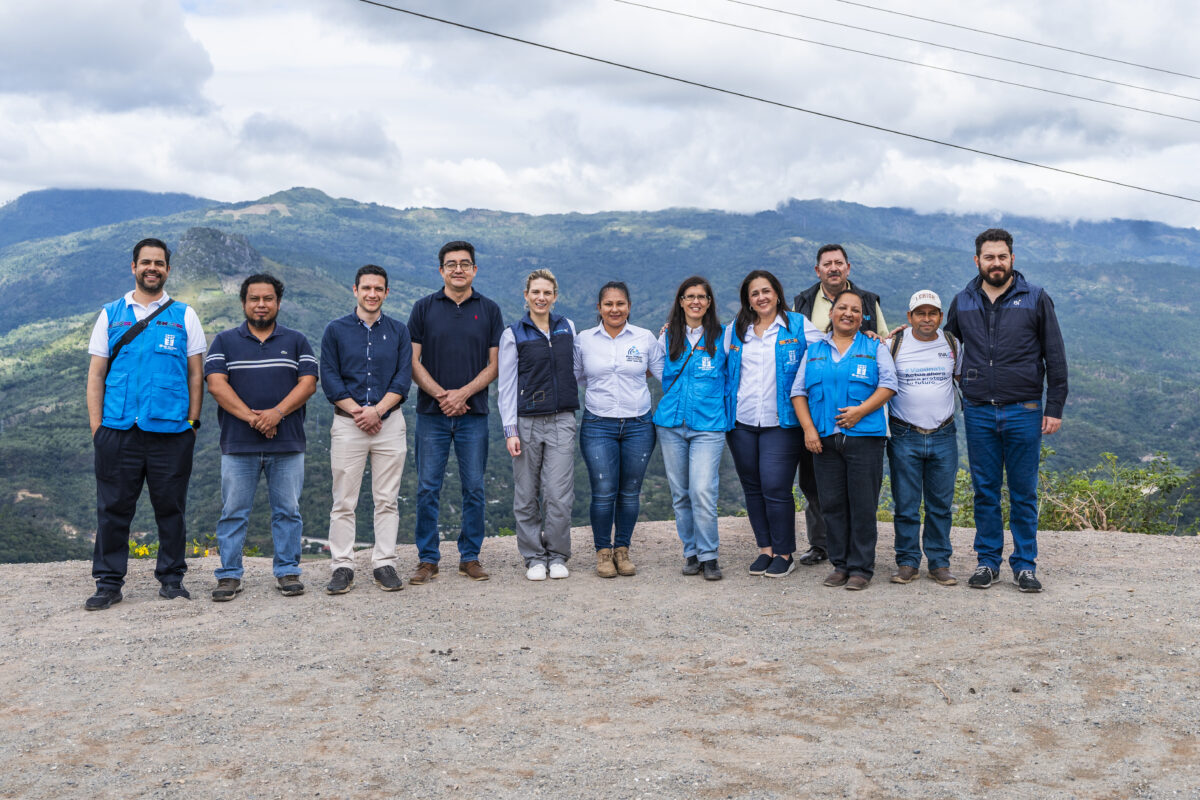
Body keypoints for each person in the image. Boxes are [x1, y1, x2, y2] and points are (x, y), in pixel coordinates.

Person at [84, 237, 206, 610]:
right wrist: (98, 430)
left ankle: (171, 579)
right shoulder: (111, 314)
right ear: (133, 267)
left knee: (171, 508)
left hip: (170, 432)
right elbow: (96, 376)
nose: (152, 268)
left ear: (168, 270)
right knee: (114, 509)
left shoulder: (184, 315)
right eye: (145, 262)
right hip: (118, 430)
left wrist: (192, 425)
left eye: (159, 263)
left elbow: (196, 376)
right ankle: (108, 583)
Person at [945, 228, 1068, 593]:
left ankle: (1025, 564)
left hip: (1025, 409)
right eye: (988, 257)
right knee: (984, 490)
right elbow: (943, 346)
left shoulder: (1035, 298)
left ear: (1012, 259)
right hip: (979, 411)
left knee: (1023, 491)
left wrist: (1055, 406)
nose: (995, 263)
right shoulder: (963, 301)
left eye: (1001, 256)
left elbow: (1056, 356)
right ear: (977, 260)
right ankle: (987, 562)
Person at [204, 274, 319, 601]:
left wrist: (276, 414)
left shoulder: (296, 340)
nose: (261, 304)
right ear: (244, 303)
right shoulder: (225, 341)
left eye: (268, 298)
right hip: (238, 445)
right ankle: (228, 574)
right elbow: (216, 385)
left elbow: (308, 383)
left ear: (278, 303)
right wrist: (255, 419)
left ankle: (287, 571)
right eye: (254, 298)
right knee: (233, 511)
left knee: (287, 511)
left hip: (287, 444)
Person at [408, 241, 504, 585]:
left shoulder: (490, 310)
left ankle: (470, 557)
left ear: (475, 269)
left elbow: (496, 364)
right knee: (426, 488)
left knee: (474, 487)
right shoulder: (423, 308)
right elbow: (412, 360)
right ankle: (427, 559)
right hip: (431, 414)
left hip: (474, 412)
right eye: (451, 264)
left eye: (465, 264)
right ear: (441, 271)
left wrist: (462, 394)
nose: (458, 269)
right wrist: (441, 395)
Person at [791, 289, 897, 591]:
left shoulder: (873, 347)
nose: (848, 313)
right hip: (823, 440)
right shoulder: (814, 350)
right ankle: (840, 564)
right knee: (832, 504)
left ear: (863, 316)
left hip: (865, 437)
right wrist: (809, 430)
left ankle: (862, 568)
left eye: (855, 309)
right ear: (832, 313)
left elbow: (889, 384)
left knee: (863, 504)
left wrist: (860, 412)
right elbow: (798, 392)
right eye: (842, 308)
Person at [319, 264, 412, 594]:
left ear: (387, 293)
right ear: (355, 290)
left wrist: (378, 411)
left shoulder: (399, 331)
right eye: (366, 288)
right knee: (344, 499)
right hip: (348, 424)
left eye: (378, 289)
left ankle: (384, 563)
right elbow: (329, 377)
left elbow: (403, 379)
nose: (372, 294)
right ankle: (342, 566)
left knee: (387, 498)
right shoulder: (335, 330)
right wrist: (360, 412)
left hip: (390, 423)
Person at [724, 270, 821, 579]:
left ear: (777, 293)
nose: (761, 297)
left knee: (776, 486)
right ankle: (765, 549)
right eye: (755, 294)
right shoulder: (737, 331)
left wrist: (870, 338)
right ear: (748, 300)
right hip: (741, 421)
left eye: (766, 291)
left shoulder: (798, 326)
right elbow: (710, 353)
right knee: (752, 487)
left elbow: (828, 350)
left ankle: (784, 552)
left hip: (782, 421)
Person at [575, 281, 663, 578]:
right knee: (602, 491)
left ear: (629, 306)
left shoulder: (645, 337)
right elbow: (576, 375)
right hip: (598, 423)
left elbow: (664, 373)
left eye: (620, 304)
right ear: (599, 308)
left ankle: (622, 549)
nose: (615, 309)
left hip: (639, 423)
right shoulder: (584, 340)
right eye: (609, 304)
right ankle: (603, 552)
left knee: (629, 492)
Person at [498, 269, 579, 581]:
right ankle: (533, 557)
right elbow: (506, 386)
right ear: (526, 296)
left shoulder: (567, 328)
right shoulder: (513, 334)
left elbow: (577, 369)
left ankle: (558, 554)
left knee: (559, 494)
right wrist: (510, 430)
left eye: (547, 293)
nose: (541, 298)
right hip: (526, 422)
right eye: (535, 292)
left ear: (555, 296)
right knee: (526, 493)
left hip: (562, 419)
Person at [651, 276, 728, 581]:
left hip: (708, 425)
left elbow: (732, 375)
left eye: (702, 296)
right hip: (671, 424)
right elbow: (661, 372)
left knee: (702, 490)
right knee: (680, 493)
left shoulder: (723, 336)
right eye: (689, 296)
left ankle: (709, 555)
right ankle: (690, 552)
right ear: (680, 301)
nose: (696, 301)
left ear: (709, 303)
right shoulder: (668, 336)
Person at [884, 290, 961, 587]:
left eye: (932, 313)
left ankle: (939, 563)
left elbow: (959, 378)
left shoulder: (953, 344)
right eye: (920, 313)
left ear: (940, 317)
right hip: (905, 433)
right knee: (905, 503)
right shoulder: (894, 344)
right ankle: (907, 561)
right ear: (909, 317)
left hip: (944, 433)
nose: (926, 318)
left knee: (940, 504)